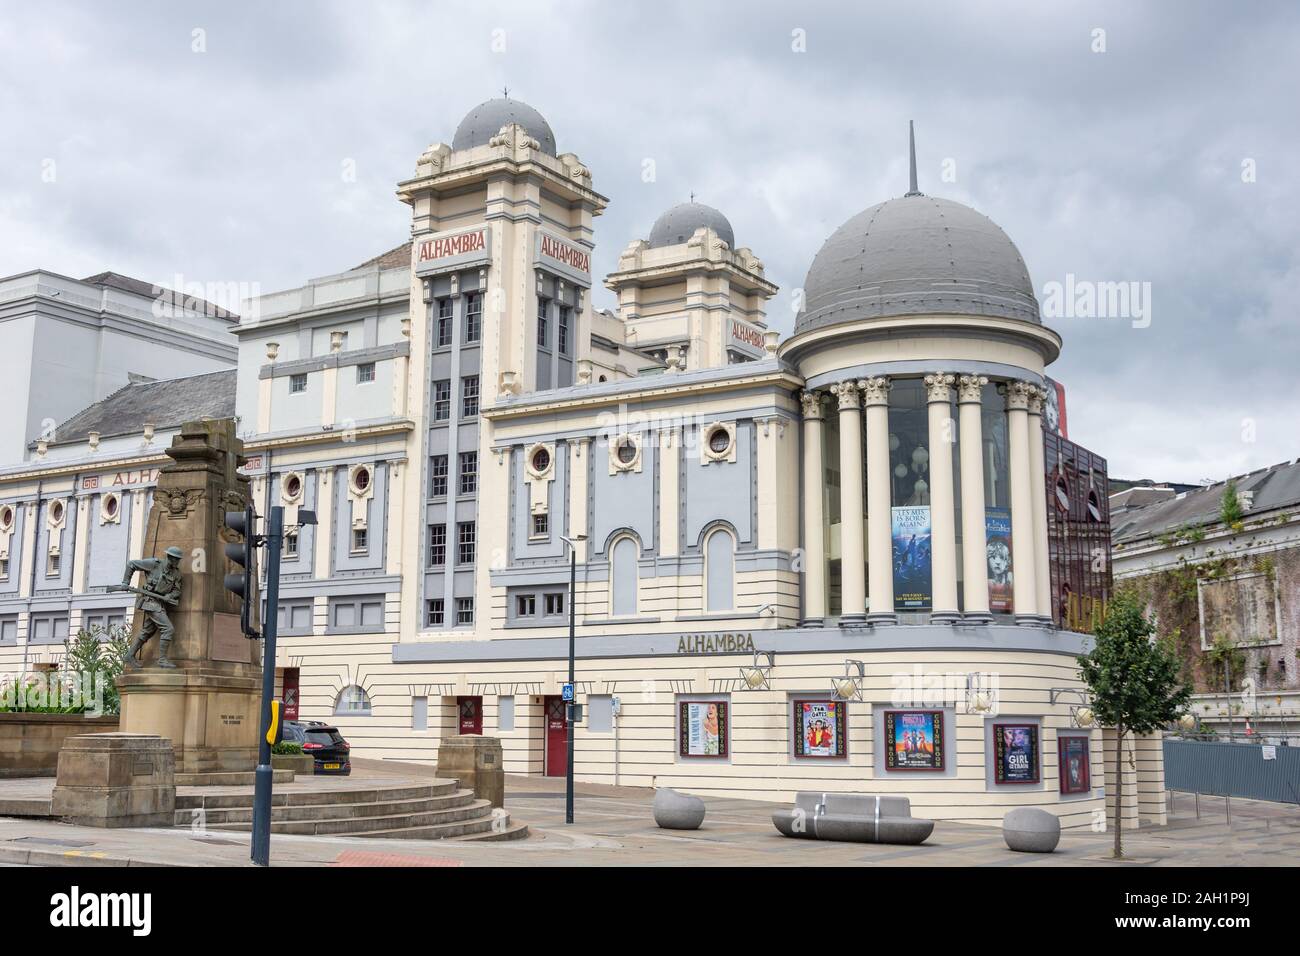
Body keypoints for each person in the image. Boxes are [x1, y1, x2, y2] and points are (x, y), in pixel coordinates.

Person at [115, 547, 183, 669]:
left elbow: (177, 591)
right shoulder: (154, 564)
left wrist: (170, 596)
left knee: (147, 631)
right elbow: (131, 564)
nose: (177, 562)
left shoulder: (176, 573)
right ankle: (162, 660)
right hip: (150, 602)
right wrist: (126, 582)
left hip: (161, 603)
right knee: (168, 629)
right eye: (176, 559)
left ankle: (129, 655)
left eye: (178, 560)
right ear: (170, 558)